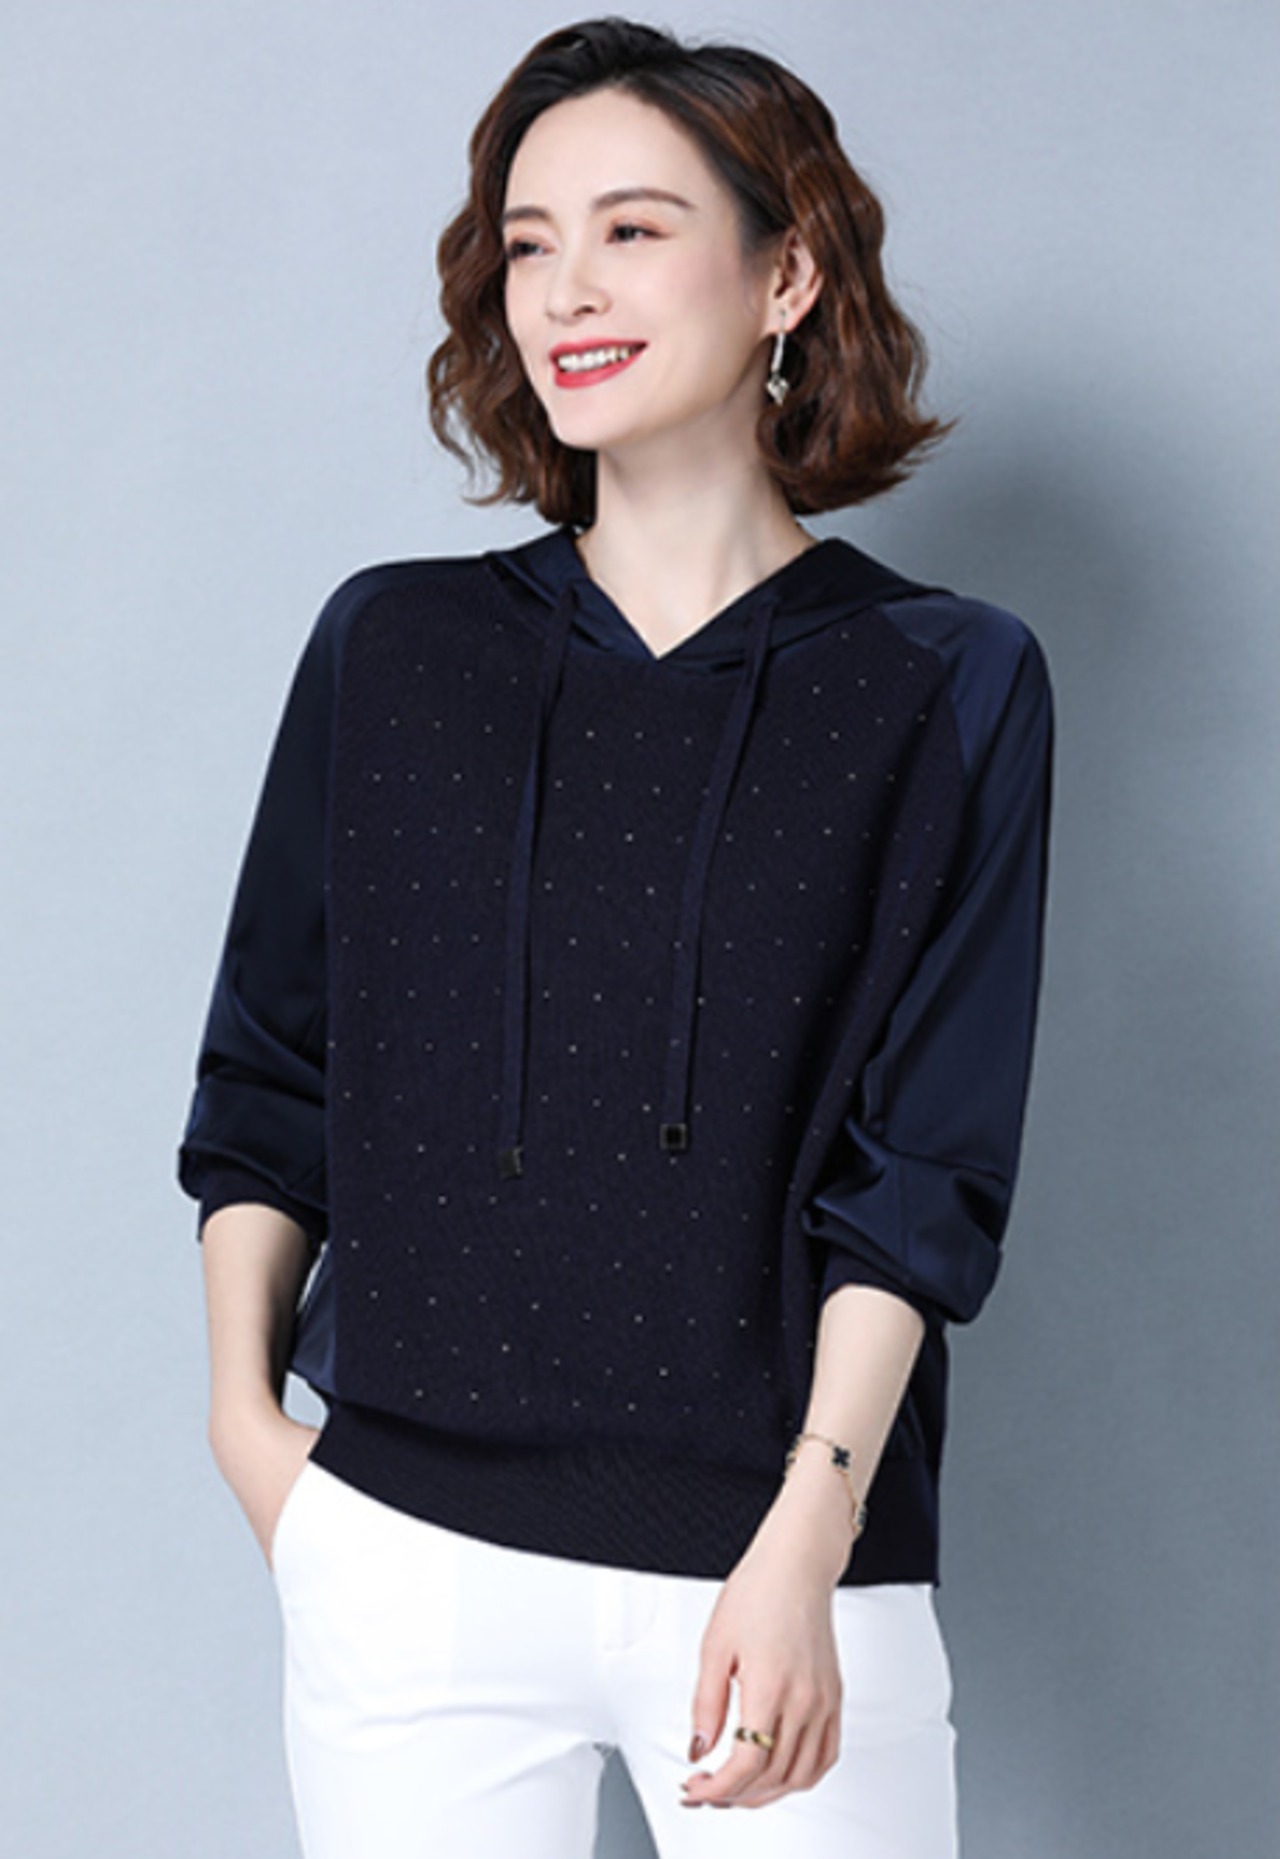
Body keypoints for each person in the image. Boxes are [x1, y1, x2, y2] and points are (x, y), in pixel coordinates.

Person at [177, 18, 1053, 1859]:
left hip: (777, 1563)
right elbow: (269, 1074)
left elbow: (925, 1169)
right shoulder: (393, 648)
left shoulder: (943, 681)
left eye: (634, 231)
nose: (565, 289)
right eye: (527, 243)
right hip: (405, 1561)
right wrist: (252, 1438)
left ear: (786, 276)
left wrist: (809, 1537)